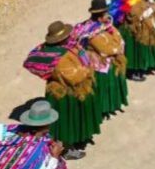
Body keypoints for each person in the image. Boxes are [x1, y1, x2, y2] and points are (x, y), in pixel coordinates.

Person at [22, 22, 101, 156]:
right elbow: (74, 77)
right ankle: (67, 149)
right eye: (66, 35)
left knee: (76, 117)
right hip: (66, 94)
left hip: (67, 90)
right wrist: (89, 69)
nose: (70, 36)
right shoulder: (60, 58)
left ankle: (79, 138)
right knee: (68, 121)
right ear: (61, 39)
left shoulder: (65, 47)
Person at [72, 0, 128, 119]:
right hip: (100, 65)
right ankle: (103, 110)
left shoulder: (102, 25)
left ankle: (111, 106)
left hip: (105, 60)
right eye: (105, 14)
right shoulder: (93, 34)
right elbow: (106, 50)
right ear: (99, 18)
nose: (108, 15)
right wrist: (118, 44)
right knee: (104, 87)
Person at [108, 0, 155, 82]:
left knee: (141, 49)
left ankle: (143, 67)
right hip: (129, 30)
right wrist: (149, 9)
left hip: (140, 27)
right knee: (133, 51)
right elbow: (134, 14)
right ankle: (133, 72)